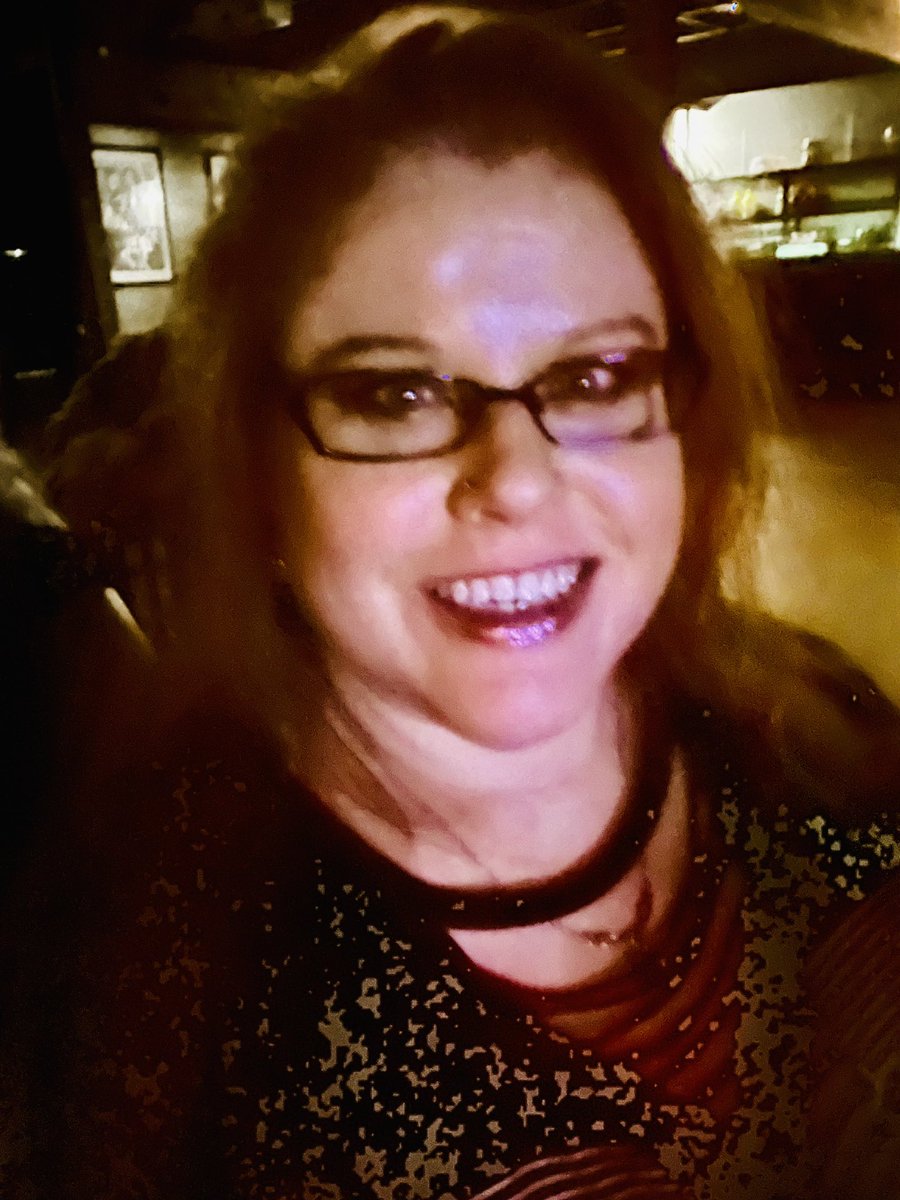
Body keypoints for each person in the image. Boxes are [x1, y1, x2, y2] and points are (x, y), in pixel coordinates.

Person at [4, 7, 900, 1199]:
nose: (515, 480)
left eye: (594, 375)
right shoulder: (153, 976)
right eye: (398, 394)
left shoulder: (823, 736)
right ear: (259, 464)